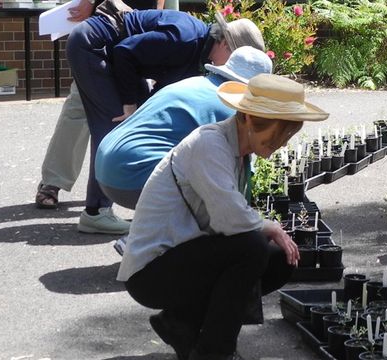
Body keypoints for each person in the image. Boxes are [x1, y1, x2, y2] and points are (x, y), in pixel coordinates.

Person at [117, 74, 328, 360]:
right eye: (278, 135)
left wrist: (268, 231)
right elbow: (230, 220)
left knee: (278, 258)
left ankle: (182, 322)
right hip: (150, 272)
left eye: (287, 136)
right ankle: (215, 352)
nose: (281, 144)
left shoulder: (237, 151)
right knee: (252, 248)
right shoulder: (210, 144)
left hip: (183, 257)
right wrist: (270, 226)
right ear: (250, 120)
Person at [66, 9, 264, 234]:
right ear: (226, 45)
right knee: (115, 122)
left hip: (120, 58)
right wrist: (129, 106)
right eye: (236, 59)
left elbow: (159, 95)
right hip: (93, 45)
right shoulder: (185, 38)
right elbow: (125, 52)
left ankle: (139, 215)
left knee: (136, 121)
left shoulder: (199, 53)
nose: (232, 67)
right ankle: (95, 212)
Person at [95, 45, 272, 209]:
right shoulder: (231, 104)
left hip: (105, 165)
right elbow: (241, 167)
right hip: (132, 173)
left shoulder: (196, 83)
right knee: (210, 202)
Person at [34, 0, 164, 211]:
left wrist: (156, 15)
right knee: (79, 106)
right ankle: (54, 181)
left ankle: (121, 186)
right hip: (108, 23)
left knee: (138, 108)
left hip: (139, 25)